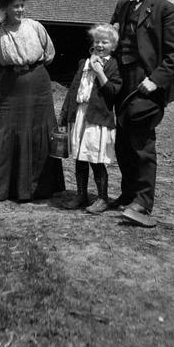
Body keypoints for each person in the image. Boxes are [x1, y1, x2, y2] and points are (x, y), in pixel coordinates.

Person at [0, 0, 65, 202]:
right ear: (5, 9)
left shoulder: (35, 26)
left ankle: (40, 187)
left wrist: (32, 69)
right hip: (12, 83)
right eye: (15, 7)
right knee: (6, 126)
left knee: (39, 129)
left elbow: (49, 53)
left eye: (22, 5)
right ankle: (5, 187)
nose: (20, 10)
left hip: (38, 82)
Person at [110, 0, 174, 227]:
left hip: (147, 85)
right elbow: (112, 41)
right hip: (123, 83)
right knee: (123, 143)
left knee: (141, 144)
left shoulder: (164, 8)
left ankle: (143, 202)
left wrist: (155, 80)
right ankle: (129, 193)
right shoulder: (122, 7)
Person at [58, 23, 122, 214]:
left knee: (95, 158)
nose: (100, 45)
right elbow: (73, 91)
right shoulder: (83, 63)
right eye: (97, 42)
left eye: (105, 42)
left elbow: (112, 92)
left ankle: (102, 198)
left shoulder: (112, 65)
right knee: (80, 156)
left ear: (113, 46)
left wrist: (100, 71)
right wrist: (65, 114)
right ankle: (81, 195)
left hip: (98, 117)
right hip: (80, 114)